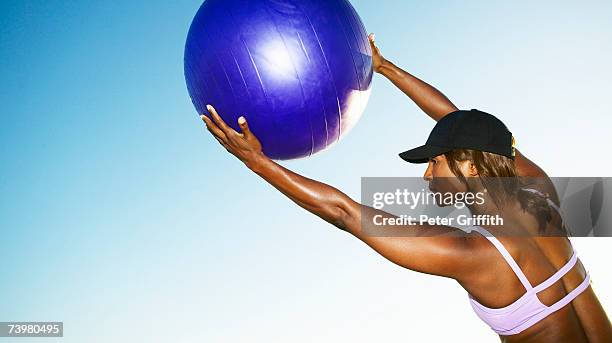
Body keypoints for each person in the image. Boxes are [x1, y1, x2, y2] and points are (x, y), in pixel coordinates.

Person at [200, 34, 612, 342]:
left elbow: (344, 212)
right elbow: (463, 122)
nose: (427, 176)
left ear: (468, 164)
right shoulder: (542, 196)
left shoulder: (475, 254)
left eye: (434, 161)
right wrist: (384, 66)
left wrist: (256, 162)